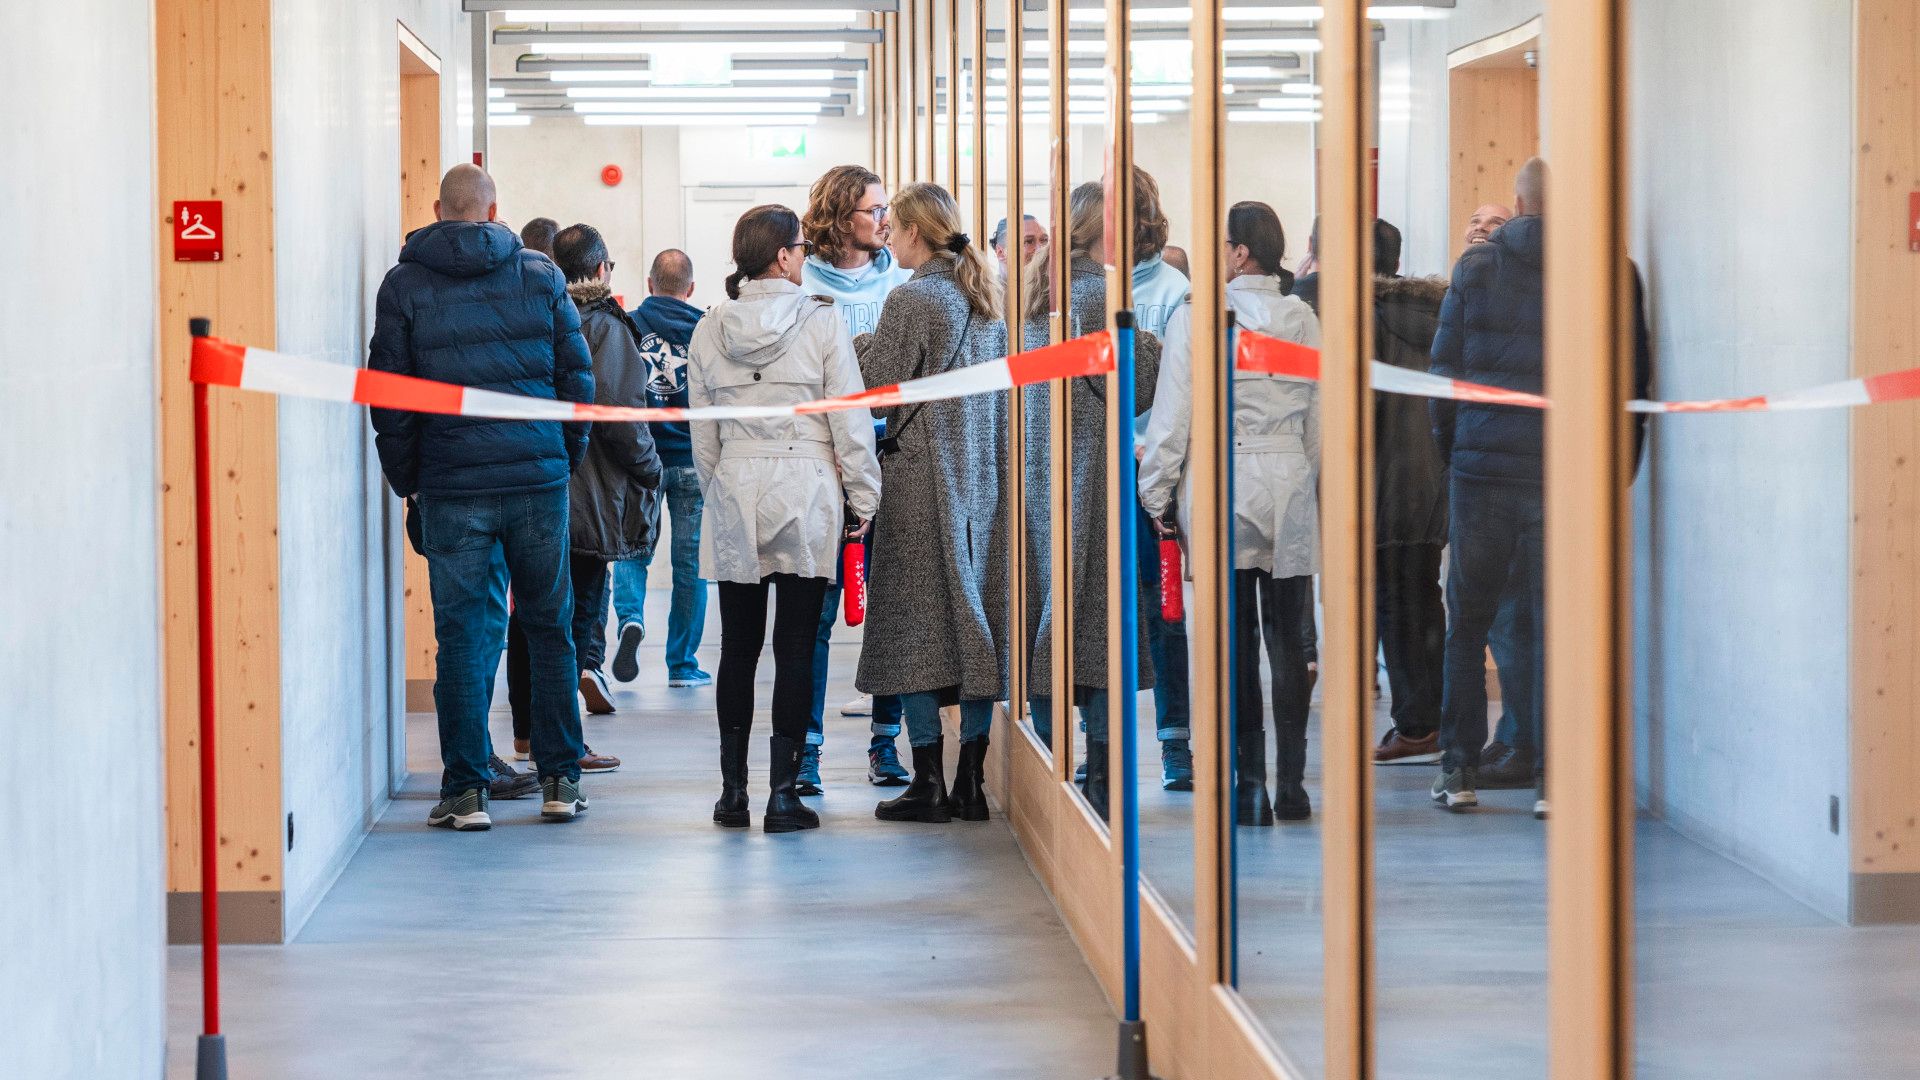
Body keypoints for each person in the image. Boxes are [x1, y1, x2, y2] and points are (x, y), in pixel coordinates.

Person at [367, 164, 593, 830]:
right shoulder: (543, 276)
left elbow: (392, 400)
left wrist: (411, 482)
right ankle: (561, 782)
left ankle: (466, 793)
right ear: (495, 213)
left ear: (440, 209)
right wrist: (562, 460)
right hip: (537, 482)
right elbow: (576, 384)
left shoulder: (403, 284)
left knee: (463, 639)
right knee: (551, 632)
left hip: (452, 484)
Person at [1428, 158, 1651, 819]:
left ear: (1518, 205)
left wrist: (1455, 456)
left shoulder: (1474, 270)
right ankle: (1555, 779)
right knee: (1559, 625)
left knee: (1466, 625)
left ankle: (1459, 771)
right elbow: (1634, 385)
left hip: (1483, 476)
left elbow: (1444, 381)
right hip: (1567, 475)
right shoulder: (1614, 270)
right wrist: (1617, 475)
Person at [691, 204, 883, 833]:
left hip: (736, 485)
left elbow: (703, 436)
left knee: (737, 649)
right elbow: (849, 419)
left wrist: (722, 485)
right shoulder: (822, 323)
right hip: (806, 485)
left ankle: (730, 794)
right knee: (797, 649)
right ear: (782, 256)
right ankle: (783, 795)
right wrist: (864, 497)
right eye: (801, 248)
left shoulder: (709, 327)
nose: (806, 258)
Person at [1140, 200, 1321, 824]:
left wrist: (1156, 493)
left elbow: (1175, 415)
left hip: (1227, 480)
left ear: (1241, 253)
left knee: (1237, 639)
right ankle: (1293, 784)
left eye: (1223, 245)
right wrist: (1306, 478)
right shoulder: (1303, 317)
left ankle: (1250, 784)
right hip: (1290, 476)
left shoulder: (1201, 317)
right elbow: (1319, 418)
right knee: (1289, 639)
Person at [850, 183, 1011, 824]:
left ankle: (927, 780)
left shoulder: (912, 297)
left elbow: (875, 388)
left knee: (914, 628)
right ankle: (972, 776)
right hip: (978, 478)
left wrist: (857, 345)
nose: (886, 233)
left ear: (917, 231)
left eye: (894, 224)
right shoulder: (984, 297)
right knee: (972, 628)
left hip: (919, 478)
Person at [1020, 180, 1161, 819]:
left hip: (1039, 476)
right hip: (1092, 478)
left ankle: (1049, 762)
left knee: (1052, 623)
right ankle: (1101, 775)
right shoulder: (1103, 293)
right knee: (1101, 631)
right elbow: (1140, 382)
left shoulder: (1035, 292)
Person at [503, 223, 661, 778]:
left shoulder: (530, 312)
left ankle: (525, 735)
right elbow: (621, 416)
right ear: (601, 270)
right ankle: (564, 745)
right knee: (574, 622)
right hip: (590, 496)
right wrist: (650, 468)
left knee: (527, 619)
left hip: (532, 485)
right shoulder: (605, 327)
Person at [799, 164, 912, 790]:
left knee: (890, 611)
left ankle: (883, 742)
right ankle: (808, 752)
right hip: (826, 470)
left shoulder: (899, 283)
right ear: (843, 217)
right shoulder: (803, 288)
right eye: (873, 209)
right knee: (817, 616)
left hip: (889, 460)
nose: (884, 220)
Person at [1121, 171, 1197, 792]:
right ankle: (1095, 741)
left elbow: (1176, 394)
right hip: (1093, 470)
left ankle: (1175, 744)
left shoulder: (1174, 291)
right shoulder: (1082, 288)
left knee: (1162, 608)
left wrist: (1158, 471)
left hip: (1152, 472)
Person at [1367, 220, 1452, 766]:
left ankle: (1416, 724)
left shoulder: (1368, 318)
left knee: (1395, 605)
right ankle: (1435, 716)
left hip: (1386, 479)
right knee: (1425, 598)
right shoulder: (1440, 312)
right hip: (1436, 477)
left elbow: (1363, 407)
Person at [609, 248, 713, 689]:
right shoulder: (706, 329)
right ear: (690, 289)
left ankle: (631, 619)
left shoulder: (628, 324)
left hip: (642, 459)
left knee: (632, 550)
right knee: (691, 565)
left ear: (650, 284)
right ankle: (682, 664)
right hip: (691, 458)